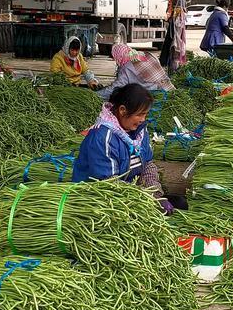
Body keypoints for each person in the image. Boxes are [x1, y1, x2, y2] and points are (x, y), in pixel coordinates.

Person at [72, 83, 182, 214]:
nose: (143, 119)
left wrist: (156, 194)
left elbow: (147, 164)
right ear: (122, 110)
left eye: (145, 114)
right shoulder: (103, 137)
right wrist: (145, 198)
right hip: (99, 199)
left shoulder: (139, 132)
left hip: (129, 194)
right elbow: (108, 183)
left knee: (180, 203)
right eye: (140, 114)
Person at [100, 40, 174, 99]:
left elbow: (115, 88)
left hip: (157, 96)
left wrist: (97, 95)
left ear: (118, 56)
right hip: (170, 89)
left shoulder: (127, 67)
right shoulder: (147, 54)